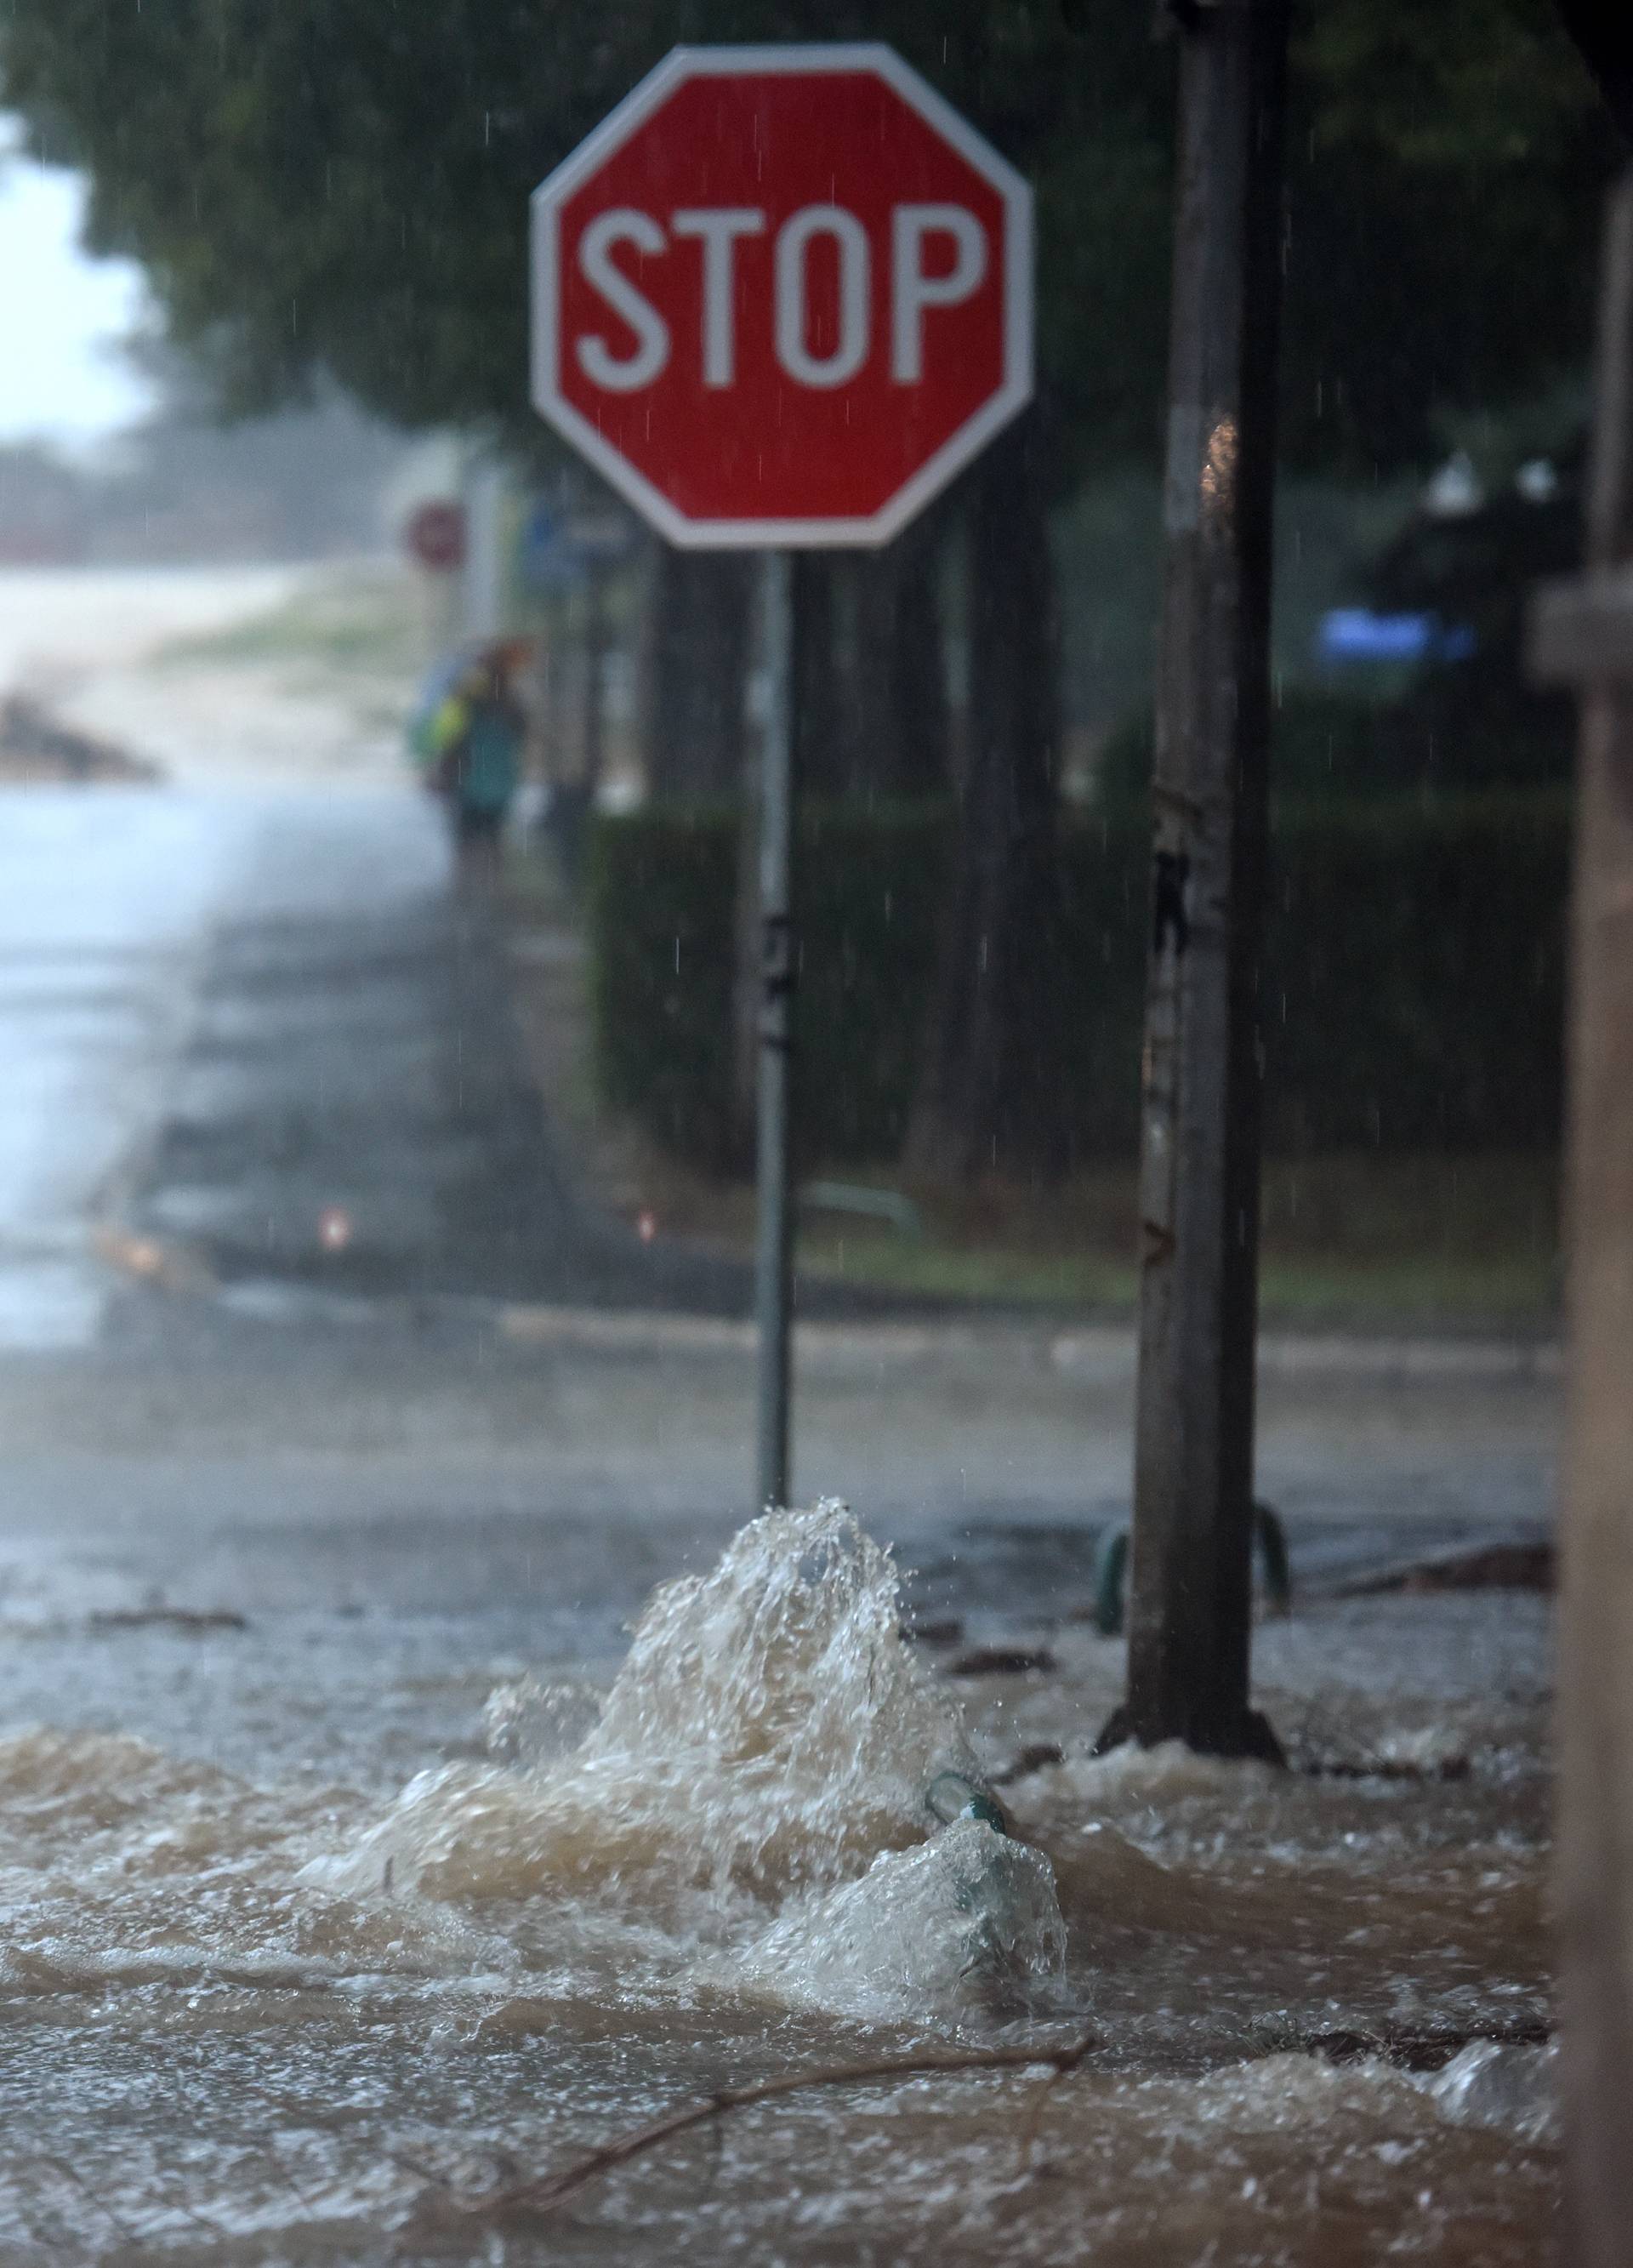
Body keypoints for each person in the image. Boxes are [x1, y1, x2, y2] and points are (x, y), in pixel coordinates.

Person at [424, 645, 525, 881]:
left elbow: (451, 743)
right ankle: (491, 888)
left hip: (471, 783)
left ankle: (469, 889)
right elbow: (522, 736)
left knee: (468, 842)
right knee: (492, 841)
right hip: (497, 783)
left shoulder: (469, 703)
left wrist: (442, 772)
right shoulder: (512, 707)